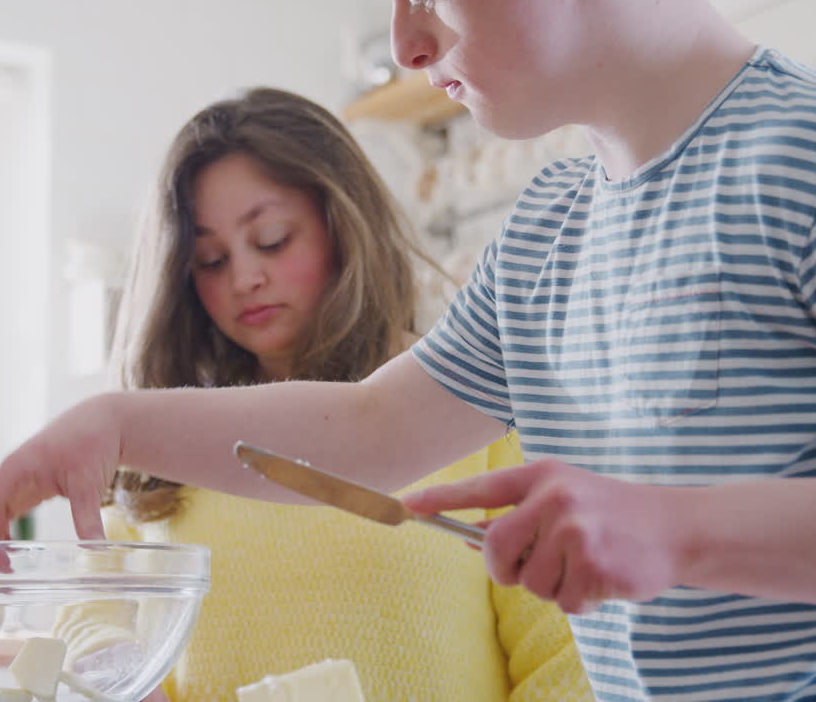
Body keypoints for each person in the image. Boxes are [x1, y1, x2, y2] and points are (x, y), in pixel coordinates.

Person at [0, 0, 816, 700]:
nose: (407, 43)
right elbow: (374, 427)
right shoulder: (550, 226)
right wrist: (111, 424)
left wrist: (679, 530)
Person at [98, 87, 591, 701]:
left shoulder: (474, 408)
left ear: (344, 225)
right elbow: (96, 605)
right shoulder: (167, 439)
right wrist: (112, 669)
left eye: (273, 239)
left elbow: (567, 660)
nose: (246, 278)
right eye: (210, 259)